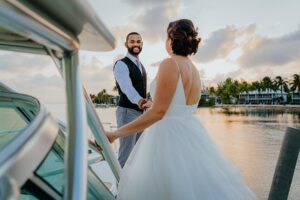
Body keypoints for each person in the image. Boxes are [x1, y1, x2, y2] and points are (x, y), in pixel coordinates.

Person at [106, 19, 257, 200]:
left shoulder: (170, 64)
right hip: (190, 135)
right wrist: (153, 105)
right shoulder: (193, 69)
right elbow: (177, 105)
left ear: (171, 39)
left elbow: (159, 113)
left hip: (167, 138)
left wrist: (115, 134)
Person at [113, 32, 149, 167]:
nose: (136, 44)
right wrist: (140, 101)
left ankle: (132, 186)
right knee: (126, 154)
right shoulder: (121, 64)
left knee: (137, 153)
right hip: (127, 112)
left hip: (141, 114)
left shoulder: (141, 65)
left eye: (138, 41)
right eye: (132, 41)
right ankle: (120, 187)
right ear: (126, 44)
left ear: (142, 45)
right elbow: (127, 87)